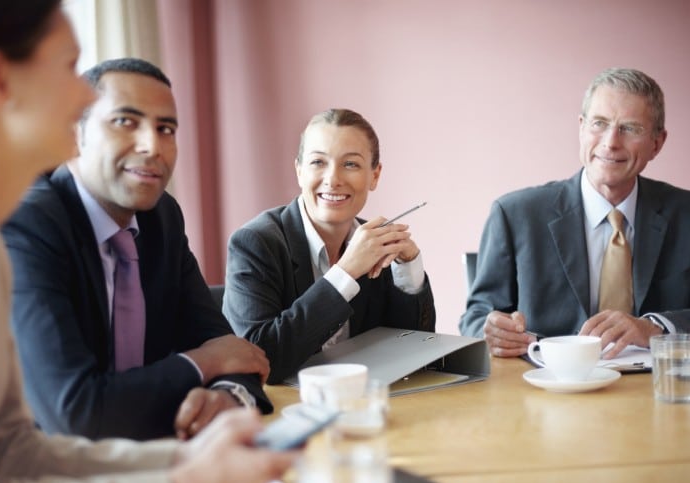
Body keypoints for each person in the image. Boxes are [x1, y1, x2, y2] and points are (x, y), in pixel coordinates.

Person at [0, 2, 295, 483]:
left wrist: (185, 462)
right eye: (67, 67)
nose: (80, 94)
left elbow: (14, 450)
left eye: (167, 128)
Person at [1, 57, 273, 441]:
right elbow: (76, 413)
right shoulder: (28, 225)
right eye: (125, 122)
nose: (152, 146)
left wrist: (227, 395)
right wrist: (203, 363)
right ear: (74, 133)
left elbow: (227, 345)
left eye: (166, 129)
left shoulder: (162, 217)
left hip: (155, 455)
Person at [459, 68, 690, 360]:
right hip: (544, 388)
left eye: (630, 128)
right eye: (599, 124)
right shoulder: (515, 215)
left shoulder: (685, 215)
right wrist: (490, 331)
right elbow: (475, 318)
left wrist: (654, 327)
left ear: (657, 143)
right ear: (581, 128)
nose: (610, 142)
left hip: (657, 389)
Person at [224, 108, 436, 383]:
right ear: (299, 171)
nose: (333, 178)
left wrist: (409, 269)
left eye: (350, 164)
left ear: (375, 175)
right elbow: (261, 358)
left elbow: (409, 352)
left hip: (363, 407)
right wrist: (345, 273)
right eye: (318, 162)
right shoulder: (255, 244)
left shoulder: (374, 242)